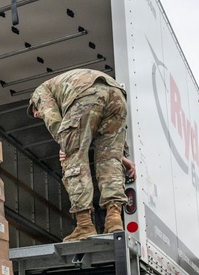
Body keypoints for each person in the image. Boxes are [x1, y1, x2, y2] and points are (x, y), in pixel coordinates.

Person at [28, 69, 136, 241]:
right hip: (117, 95)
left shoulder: (40, 93)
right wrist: (121, 157)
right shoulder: (64, 85)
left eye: (35, 112)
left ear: (34, 104)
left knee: (74, 160)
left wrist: (66, 146)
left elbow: (54, 121)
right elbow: (105, 148)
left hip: (85, 95)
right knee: (110, 159)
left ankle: (84, 225)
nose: (36, 115)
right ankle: (114, 218)